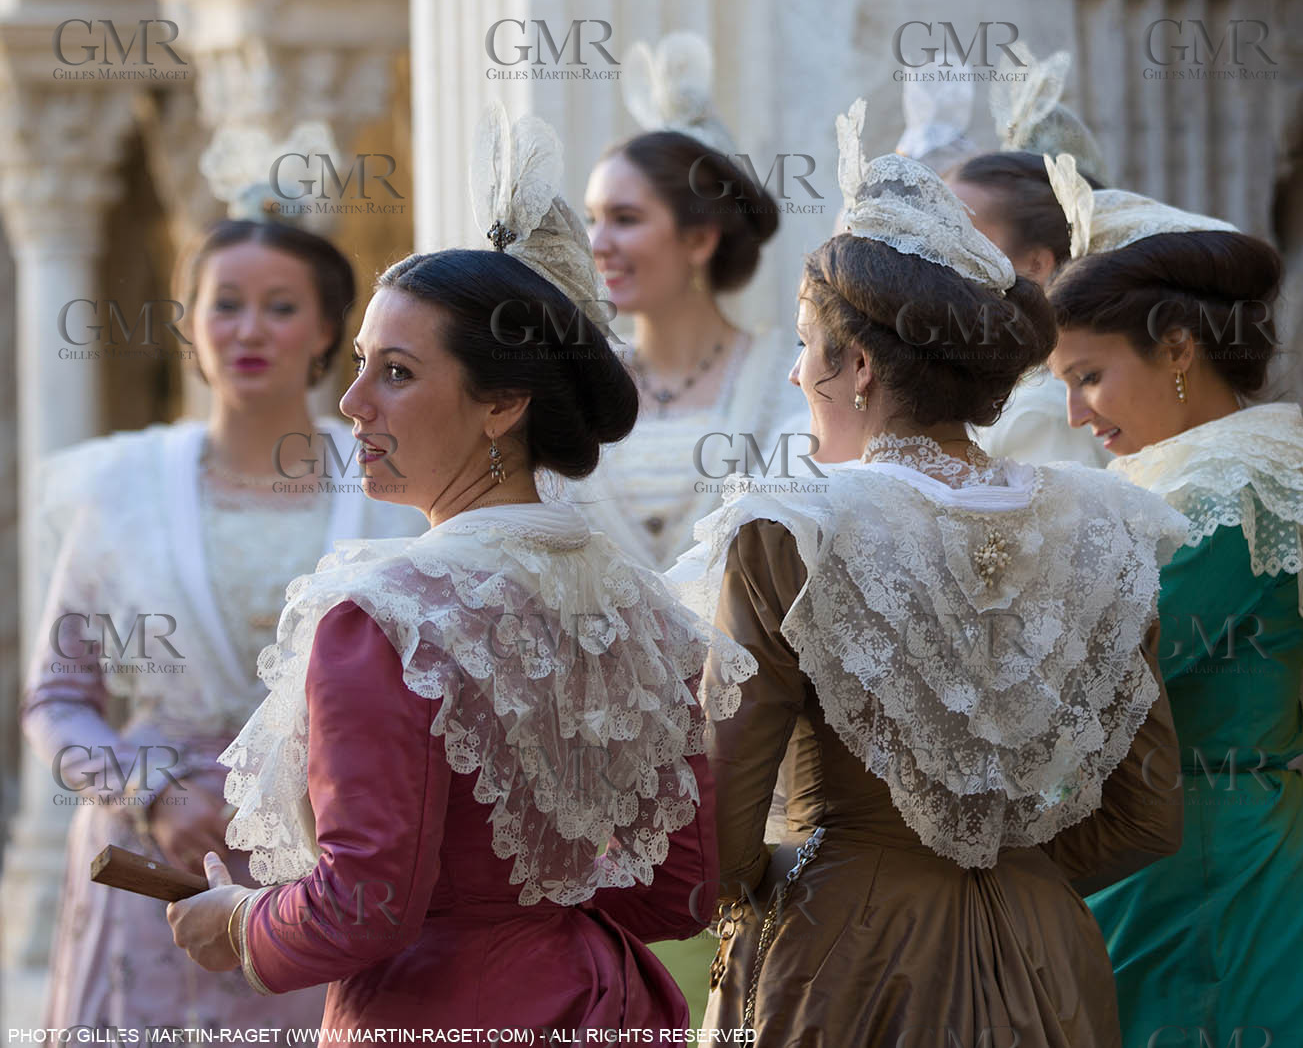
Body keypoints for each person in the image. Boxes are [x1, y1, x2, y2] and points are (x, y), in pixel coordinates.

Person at [165, 107, 755, 1031]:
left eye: (397, 372)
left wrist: (241, 925)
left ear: (503, 403)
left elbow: (366, 901)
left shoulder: (382, 616)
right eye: (359, 366)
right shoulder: (646, 613)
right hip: (604, 1003)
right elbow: (677, 896)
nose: (354, 403)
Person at [668, 99, 1192, 1044]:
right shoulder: (1105, 523)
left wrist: (832, 877)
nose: (795, 375)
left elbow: (722, 838)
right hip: (1047, 950)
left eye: (803, 343)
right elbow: (1148, 814)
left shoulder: (793, 528)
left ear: (858, 364)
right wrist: (1009, 865)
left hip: (848, 955)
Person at [1043, 173, 1303, 1046]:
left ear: (1176, 348)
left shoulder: (1239, 492)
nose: (1074, 412)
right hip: (1167, 854)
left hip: (1214, 878)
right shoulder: (1176, 476)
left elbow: (1097, 676)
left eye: (1088, 376)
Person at [24, 204, 422, 1030]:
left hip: (332, 862)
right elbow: (55, 699)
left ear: (326, 331)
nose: (251, 329)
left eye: (281, 306)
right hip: (155, 863)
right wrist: (151, 788)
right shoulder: (121, 487)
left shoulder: (390, 485)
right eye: (225, 302)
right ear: (189, 322)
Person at [580, 32, 808, 571]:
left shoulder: (789, 383)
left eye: (626, 219)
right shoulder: (574, 386)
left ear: (700, 238)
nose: (596, 244)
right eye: (593, 218)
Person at [946, 41, 1110, 468]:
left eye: (962, 237)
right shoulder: (992, 383)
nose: (937, 255)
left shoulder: (1046, 412)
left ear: (1036, 264)